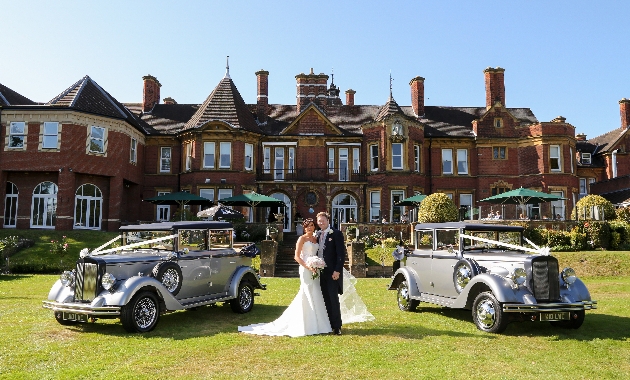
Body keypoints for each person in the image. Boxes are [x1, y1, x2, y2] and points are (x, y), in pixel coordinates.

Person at [238, 217, 373, 337]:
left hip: (326, 271)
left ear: (326, 221)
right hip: (307, 270)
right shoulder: (303, 238)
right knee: (311, 295)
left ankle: (335, 326)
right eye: (311, 225)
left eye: (316, 224)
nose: (313, 226)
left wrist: (336, 269)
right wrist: (309, 266)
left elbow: (340, 254)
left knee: (328, 298)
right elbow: (297, 256)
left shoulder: (325, 235)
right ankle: (310, 324)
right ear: (304, 227)